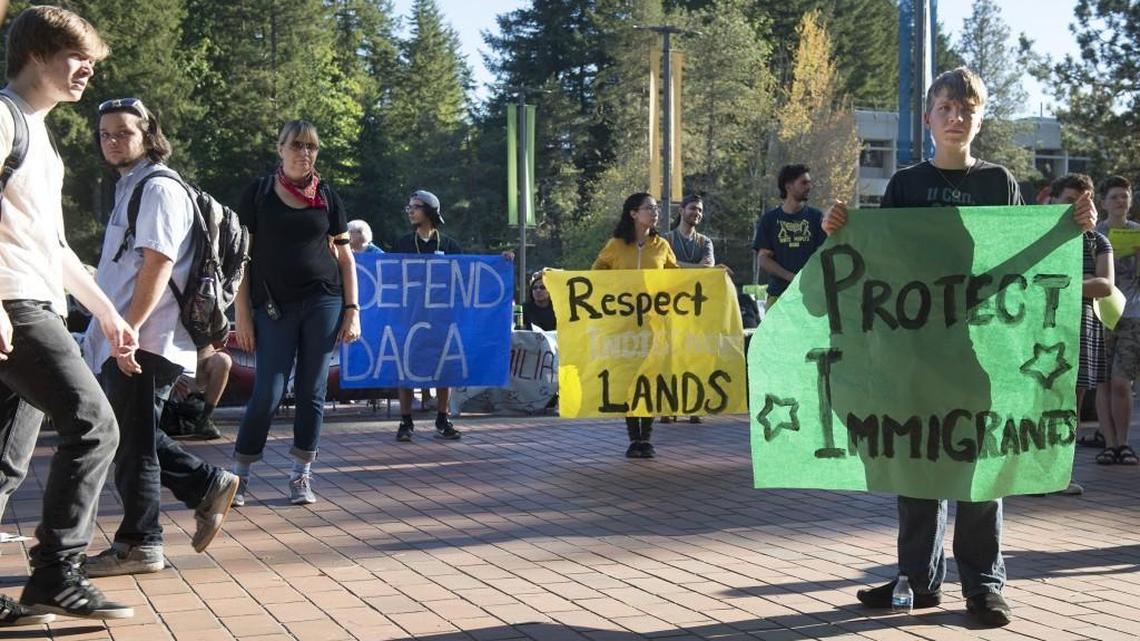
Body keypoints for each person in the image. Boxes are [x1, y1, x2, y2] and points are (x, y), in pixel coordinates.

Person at [822, 67, 1097, 627]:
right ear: (927, 118)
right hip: (917, 352)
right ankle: (917, 580)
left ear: (980, 118)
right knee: (915, 461)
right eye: (945, 108)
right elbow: (882, 265)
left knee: (978, 465)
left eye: (966, 109)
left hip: (983, 351)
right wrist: (839, 230)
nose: (956, 118)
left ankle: (984, 583)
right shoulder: (904, 184)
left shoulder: (999, 182)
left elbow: (1025, 258)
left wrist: (1074, 229)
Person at [0, 5, 136, 622]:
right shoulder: (4, 117)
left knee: (5, 460)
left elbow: (51, 246)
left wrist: (107, 312)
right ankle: (57, 573)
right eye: (76, 56)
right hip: (12, 304)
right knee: (94, 424)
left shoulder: (40, 134)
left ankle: (49, 580)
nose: (87, 69)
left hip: (35, 297)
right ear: (35, 54)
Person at [81, 97, 240, 577]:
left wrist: (126, 328)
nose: (112, 142)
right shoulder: (132, 186)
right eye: (105, 134)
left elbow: (159, 262)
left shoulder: (158, 188)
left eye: (123, 133)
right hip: (136, 336)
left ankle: (143, 541)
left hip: (148, 338)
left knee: (133, 442)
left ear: (148, 135)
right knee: (133, 438)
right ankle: (197, 493)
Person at [232, 120, 360, 507]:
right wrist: (242, 314)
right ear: (280, 148)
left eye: (312, 147)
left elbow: (344, 257)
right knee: (267, 391)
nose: (305, 153)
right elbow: (241, 259)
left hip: (324, 300)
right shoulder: (257, 194)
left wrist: (353, 310)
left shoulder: (327, 196)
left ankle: (301, 473)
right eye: (297, 145)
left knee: (311, 391)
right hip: (272, 305)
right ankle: (240, 472)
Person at [593, 192, 679, 459]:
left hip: (655, 325)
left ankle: (648, 438)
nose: (655, 213)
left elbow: (678, 278)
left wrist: (712, 275)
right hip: (624, 325)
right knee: (629, 379)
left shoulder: (662, 245)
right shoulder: (615, 245)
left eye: (655, 209)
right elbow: (595, 275)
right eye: (649, 208)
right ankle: (633, 438)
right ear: (633, 213)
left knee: (651, 377)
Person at [1051, 174, 1113, 496]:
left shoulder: (1098, 241)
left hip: (1081, 328)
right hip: (1041, 329)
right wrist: (1083, 278)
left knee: (1071, 405)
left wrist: (1067, 280)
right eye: (1068, 200)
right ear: (1053, 200)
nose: (1076, 208)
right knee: (1036, 402)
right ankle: (1031, 473)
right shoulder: (1042, 236)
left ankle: (1062, 473)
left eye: (1082, 201)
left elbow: (1105, 285)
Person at [392, 190, 463, 442]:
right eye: (408, 207)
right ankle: (405, 421)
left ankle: (443, 419)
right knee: (405, 369)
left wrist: (503, 260)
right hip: (409, 318)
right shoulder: (401, 244)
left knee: (445, 367)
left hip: (442, 319)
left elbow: (466, 275)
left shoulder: (449, 245)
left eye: (416, 207)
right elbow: (389, 277)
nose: (410, 211)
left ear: (430, 212)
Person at [1094, 175, 1140, 466]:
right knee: (1103, 382)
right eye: (1114, 197)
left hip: (1133, 314)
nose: (1120, 201)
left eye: (1125, 196)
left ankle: (1124, 443)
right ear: (1104, 203)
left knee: (1122, 382)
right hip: (1101, 315)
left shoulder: (1138, 233)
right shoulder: (1096, 234)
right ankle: (1108, 443)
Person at [753, 165, 826, 308]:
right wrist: (793, 278)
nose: (809, 186)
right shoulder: (769, 220)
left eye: (809, 182)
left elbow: (823, 255)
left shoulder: (816, 218)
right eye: (804, 183)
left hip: (810, 297)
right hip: (778, 296)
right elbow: (763, 259)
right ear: (788, 186)